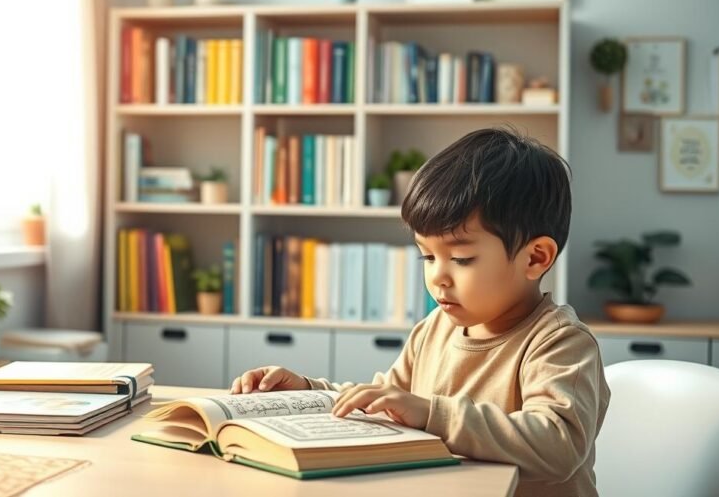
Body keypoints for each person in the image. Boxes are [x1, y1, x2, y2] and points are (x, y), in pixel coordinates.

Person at [231, 127, 610, 497]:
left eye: (461, 258)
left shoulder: (560, 342)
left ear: (535, 257)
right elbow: (383, 402)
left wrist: (432, 414)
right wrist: (308, 390)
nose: (437, 277)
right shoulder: (435, 328)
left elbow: (558, 445)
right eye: (427, 256)